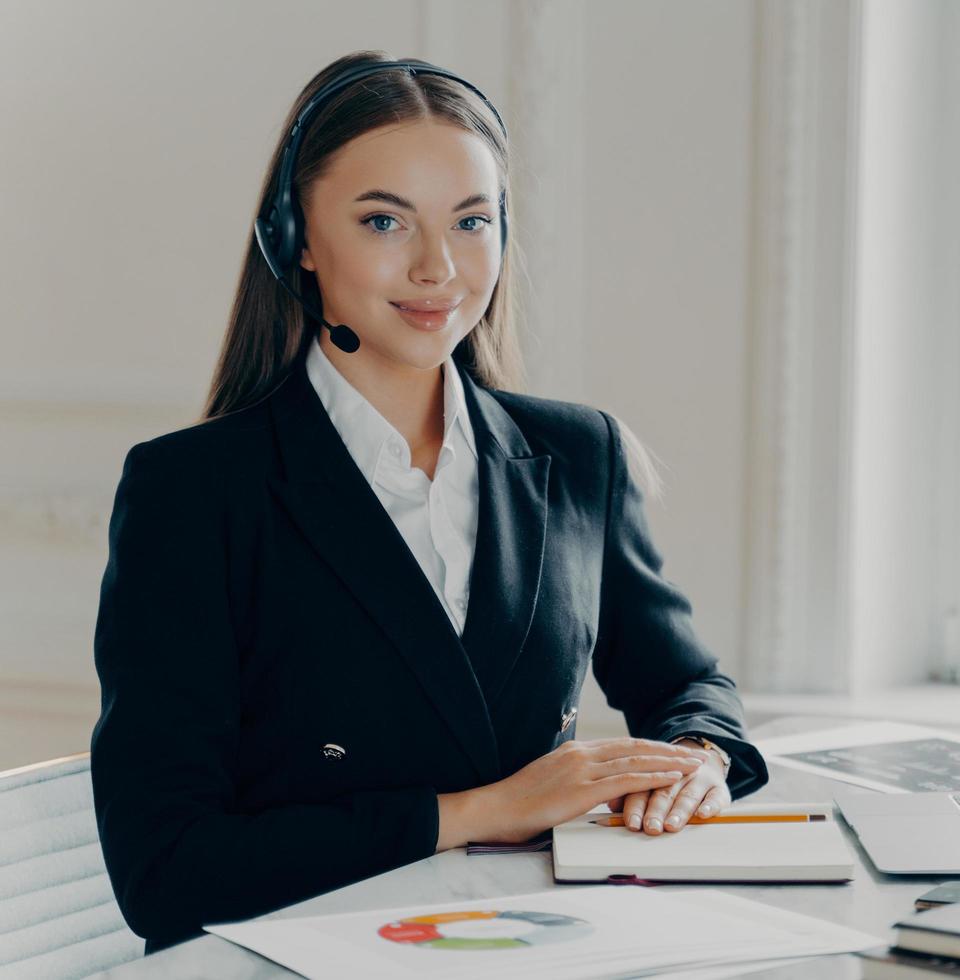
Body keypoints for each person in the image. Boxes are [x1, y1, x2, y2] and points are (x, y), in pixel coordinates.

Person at [89, 50, 768, 954]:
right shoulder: (194, 490)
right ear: (294, 236)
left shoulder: (576, 454)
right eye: (383, 221)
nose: (438, 267)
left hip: (543, 948)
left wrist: (693, 762)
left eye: (471, 221)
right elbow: (166, 872)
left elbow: (687, 686)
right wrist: (478, 812)